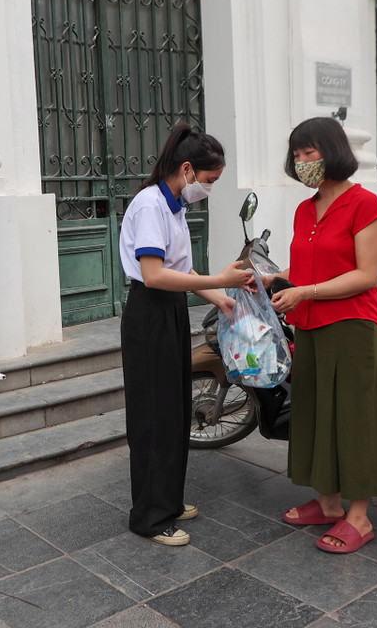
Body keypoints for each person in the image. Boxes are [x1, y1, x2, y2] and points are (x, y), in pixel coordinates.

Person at [119, 124, 254, 546]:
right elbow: (155, 275)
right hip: (149, 313)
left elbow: (184, 272)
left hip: (170, 312)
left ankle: (169, 502)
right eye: (210, 181)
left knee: (174, 411)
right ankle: (150, 517)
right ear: (188, 169)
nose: (209, 189)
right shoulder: (149, 206)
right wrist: (223, 277)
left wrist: (223, 299)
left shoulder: (173, 204)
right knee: (153, 417)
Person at [269, 117, 377, 553]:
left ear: (334, 151)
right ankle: (328, 503)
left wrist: (304, 291)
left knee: (355, 421)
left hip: (353, 328)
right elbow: (302, 270)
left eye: (311, 153)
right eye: (298, 155)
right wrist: (271, 280)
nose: (303, 162)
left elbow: (366, 275)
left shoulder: (366, 205)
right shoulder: (305, 210)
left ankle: (359, 518)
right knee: (316, 415)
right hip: (311, 329)